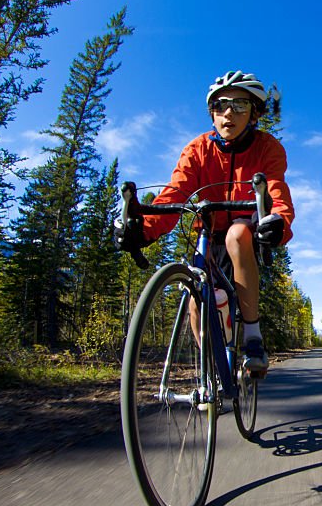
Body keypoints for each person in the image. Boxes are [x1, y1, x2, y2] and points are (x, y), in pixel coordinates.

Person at [116, 70, 294, 371]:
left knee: (237, 234)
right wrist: (143, 231)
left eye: (240, 105)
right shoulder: (197, 149)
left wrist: (278, 223)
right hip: (207, 232)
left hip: (245, 231)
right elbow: (175, 194)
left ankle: (253, 337)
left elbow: (275, 191)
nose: (229, 113)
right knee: (198, 297)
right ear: (212, 114)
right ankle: (212, 371)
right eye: (221, 105)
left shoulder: (267, 147)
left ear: (254, 114)